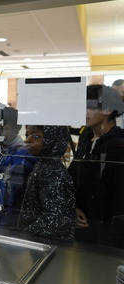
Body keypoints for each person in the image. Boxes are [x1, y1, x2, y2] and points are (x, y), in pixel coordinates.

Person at [69, 84, 124, 247]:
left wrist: (109, 235)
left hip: (108, 237)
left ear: (109, 110)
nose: (84, 111)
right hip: (82, 230)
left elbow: (120, 198)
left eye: (90, 106)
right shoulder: (86, 141)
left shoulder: (119, 145)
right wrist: (73, 207)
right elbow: (72, 177)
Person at [18, 125, 75, 240]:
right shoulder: (42, 165)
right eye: (27, 135)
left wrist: (24, 234)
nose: (28, 140)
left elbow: (55, 220)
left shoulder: (53, 173)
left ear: (52, 139)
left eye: (36, 136)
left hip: (50, 244)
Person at [0, 107, 36, 229]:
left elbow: (11, 191)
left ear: (17, 130)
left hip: (9, 220)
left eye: (3, 129)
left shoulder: (22, 156)